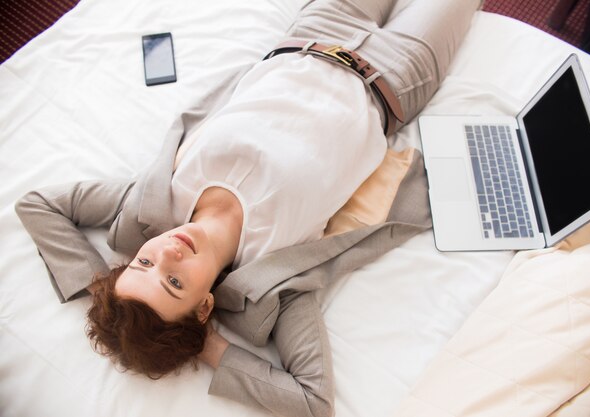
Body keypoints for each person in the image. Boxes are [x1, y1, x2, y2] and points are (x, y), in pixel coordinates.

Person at [14, 0, 480, 416]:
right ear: (203, 308)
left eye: (144, 262)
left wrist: (101, 292)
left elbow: (38, 205)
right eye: (174, 284)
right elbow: (313, 402)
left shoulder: (148, 206)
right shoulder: (275, 284)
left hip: (316, 30)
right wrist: (206, 346)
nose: (169, 254)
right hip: (397, 75)